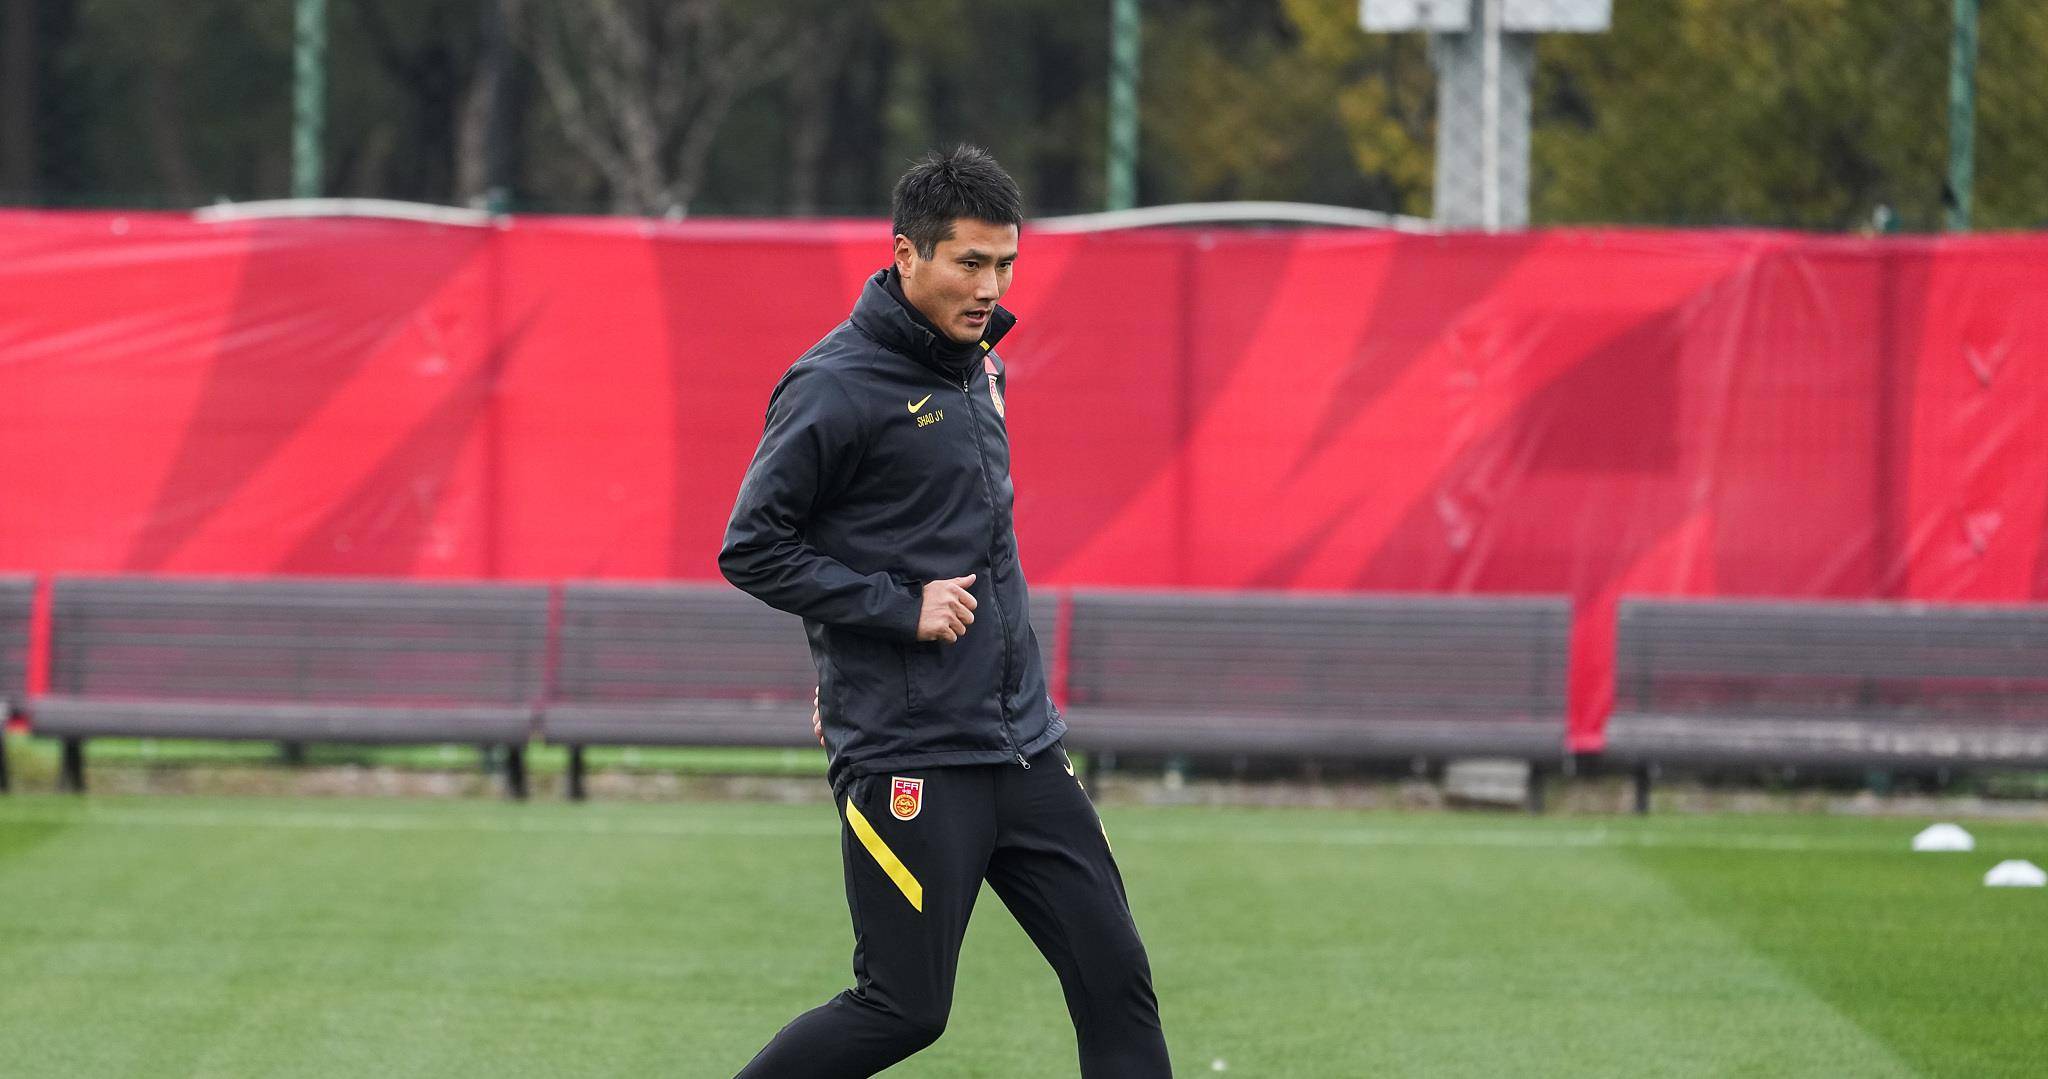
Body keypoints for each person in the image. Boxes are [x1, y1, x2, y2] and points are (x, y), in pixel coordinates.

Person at [719, 145, 1172, 1078]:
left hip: (1022, 744)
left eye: (1005, 264)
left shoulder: (980, 370)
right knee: (903, 1007)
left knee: (1115, 976)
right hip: (910, 750)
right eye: (969, 262)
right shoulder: (832, 385)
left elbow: (934, 538)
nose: (990, 287)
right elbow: (754, 546)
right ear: (906, 254)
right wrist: (891, 616)